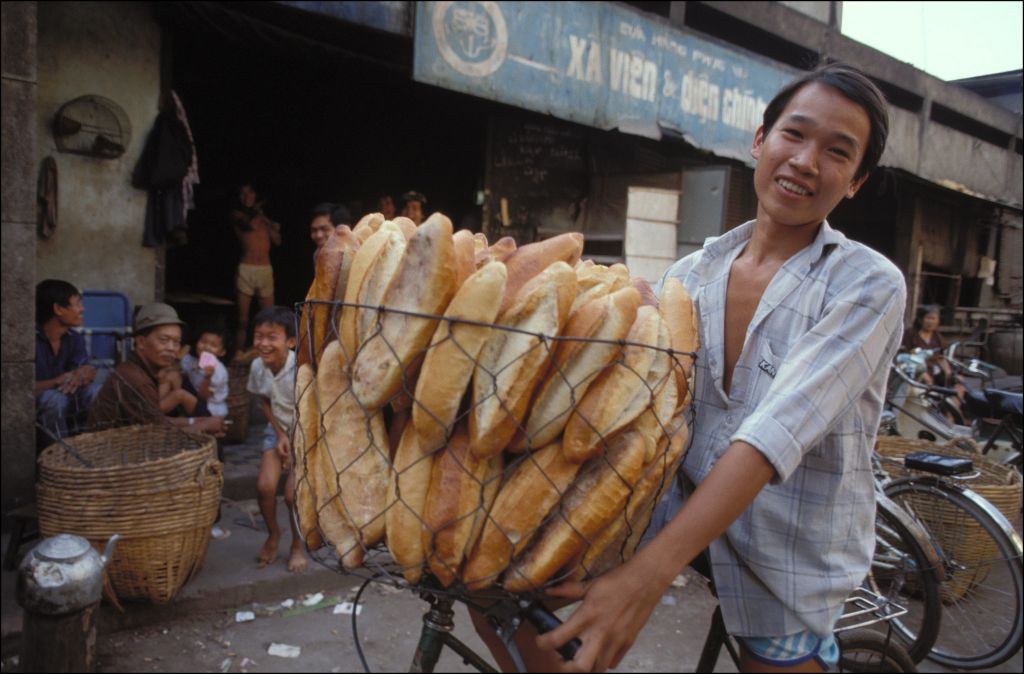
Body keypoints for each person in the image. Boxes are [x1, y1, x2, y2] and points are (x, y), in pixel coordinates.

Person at [476, 63, 907, 673]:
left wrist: (647, 577)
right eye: (794, 134)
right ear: (760, 140)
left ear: (856, 180)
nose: (806, 161)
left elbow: (773, 434)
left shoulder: (866, 285)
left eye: (837, 152)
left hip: (786, 549)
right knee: (503, 600)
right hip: (669, 515)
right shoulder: (689, 277)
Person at [87, 302, 227, 437]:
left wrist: (196, 421)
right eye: (164, 340)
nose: (171, 348)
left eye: (176, 342)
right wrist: (202, 426)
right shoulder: (136, 379)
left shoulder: (139, 370)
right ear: (141, 342)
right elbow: (158, 436)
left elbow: (155, 419)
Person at [246, 306, 307, 573]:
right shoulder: (257, 366)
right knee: (265, 486)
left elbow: (312, 411)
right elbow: (265, 401)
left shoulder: (301, 369)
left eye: (272, 337)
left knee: (293, 495)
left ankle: (297, 544)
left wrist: (293, 444)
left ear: (290, 341)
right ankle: (273, 533)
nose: (264, 343)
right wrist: (280, 434)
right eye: (259, 336)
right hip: (277, 429)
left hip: (305, 431)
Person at [34, 279, 102, 440]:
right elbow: (17, 389)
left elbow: (84, 371)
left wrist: (85, 372)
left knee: (97, 392)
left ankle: (91, 446)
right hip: (36, 406)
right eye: (77, 304)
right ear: (58, 309)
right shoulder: (29, 340)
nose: (82, 309)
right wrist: (56, 382)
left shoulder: (74, 338)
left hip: (66, 398)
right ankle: (57, 451)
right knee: (54, 400)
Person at [231, 183, 281, 349]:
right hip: (247, 269)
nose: (247, 196)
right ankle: (238, 354)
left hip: (265, 269)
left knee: (269, 317)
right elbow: (250, 225)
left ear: (255, 194)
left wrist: (270, 224)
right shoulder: (237, 215)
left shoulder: (262, 218)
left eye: (250, 192)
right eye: (243, 193)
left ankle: (267, 351)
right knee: (243, 320)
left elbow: (277, 240)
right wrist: (259, 212)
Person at [181, 326, 230, 417]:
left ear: (222, 352)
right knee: (173, 376)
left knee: (179, 395)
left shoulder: (219, 372)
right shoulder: (190, 360)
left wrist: (207, 378)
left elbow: (203, 397)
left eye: (213, 345)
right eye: (203, 342)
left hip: (210, 408)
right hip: (193, 396)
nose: (206, 347)